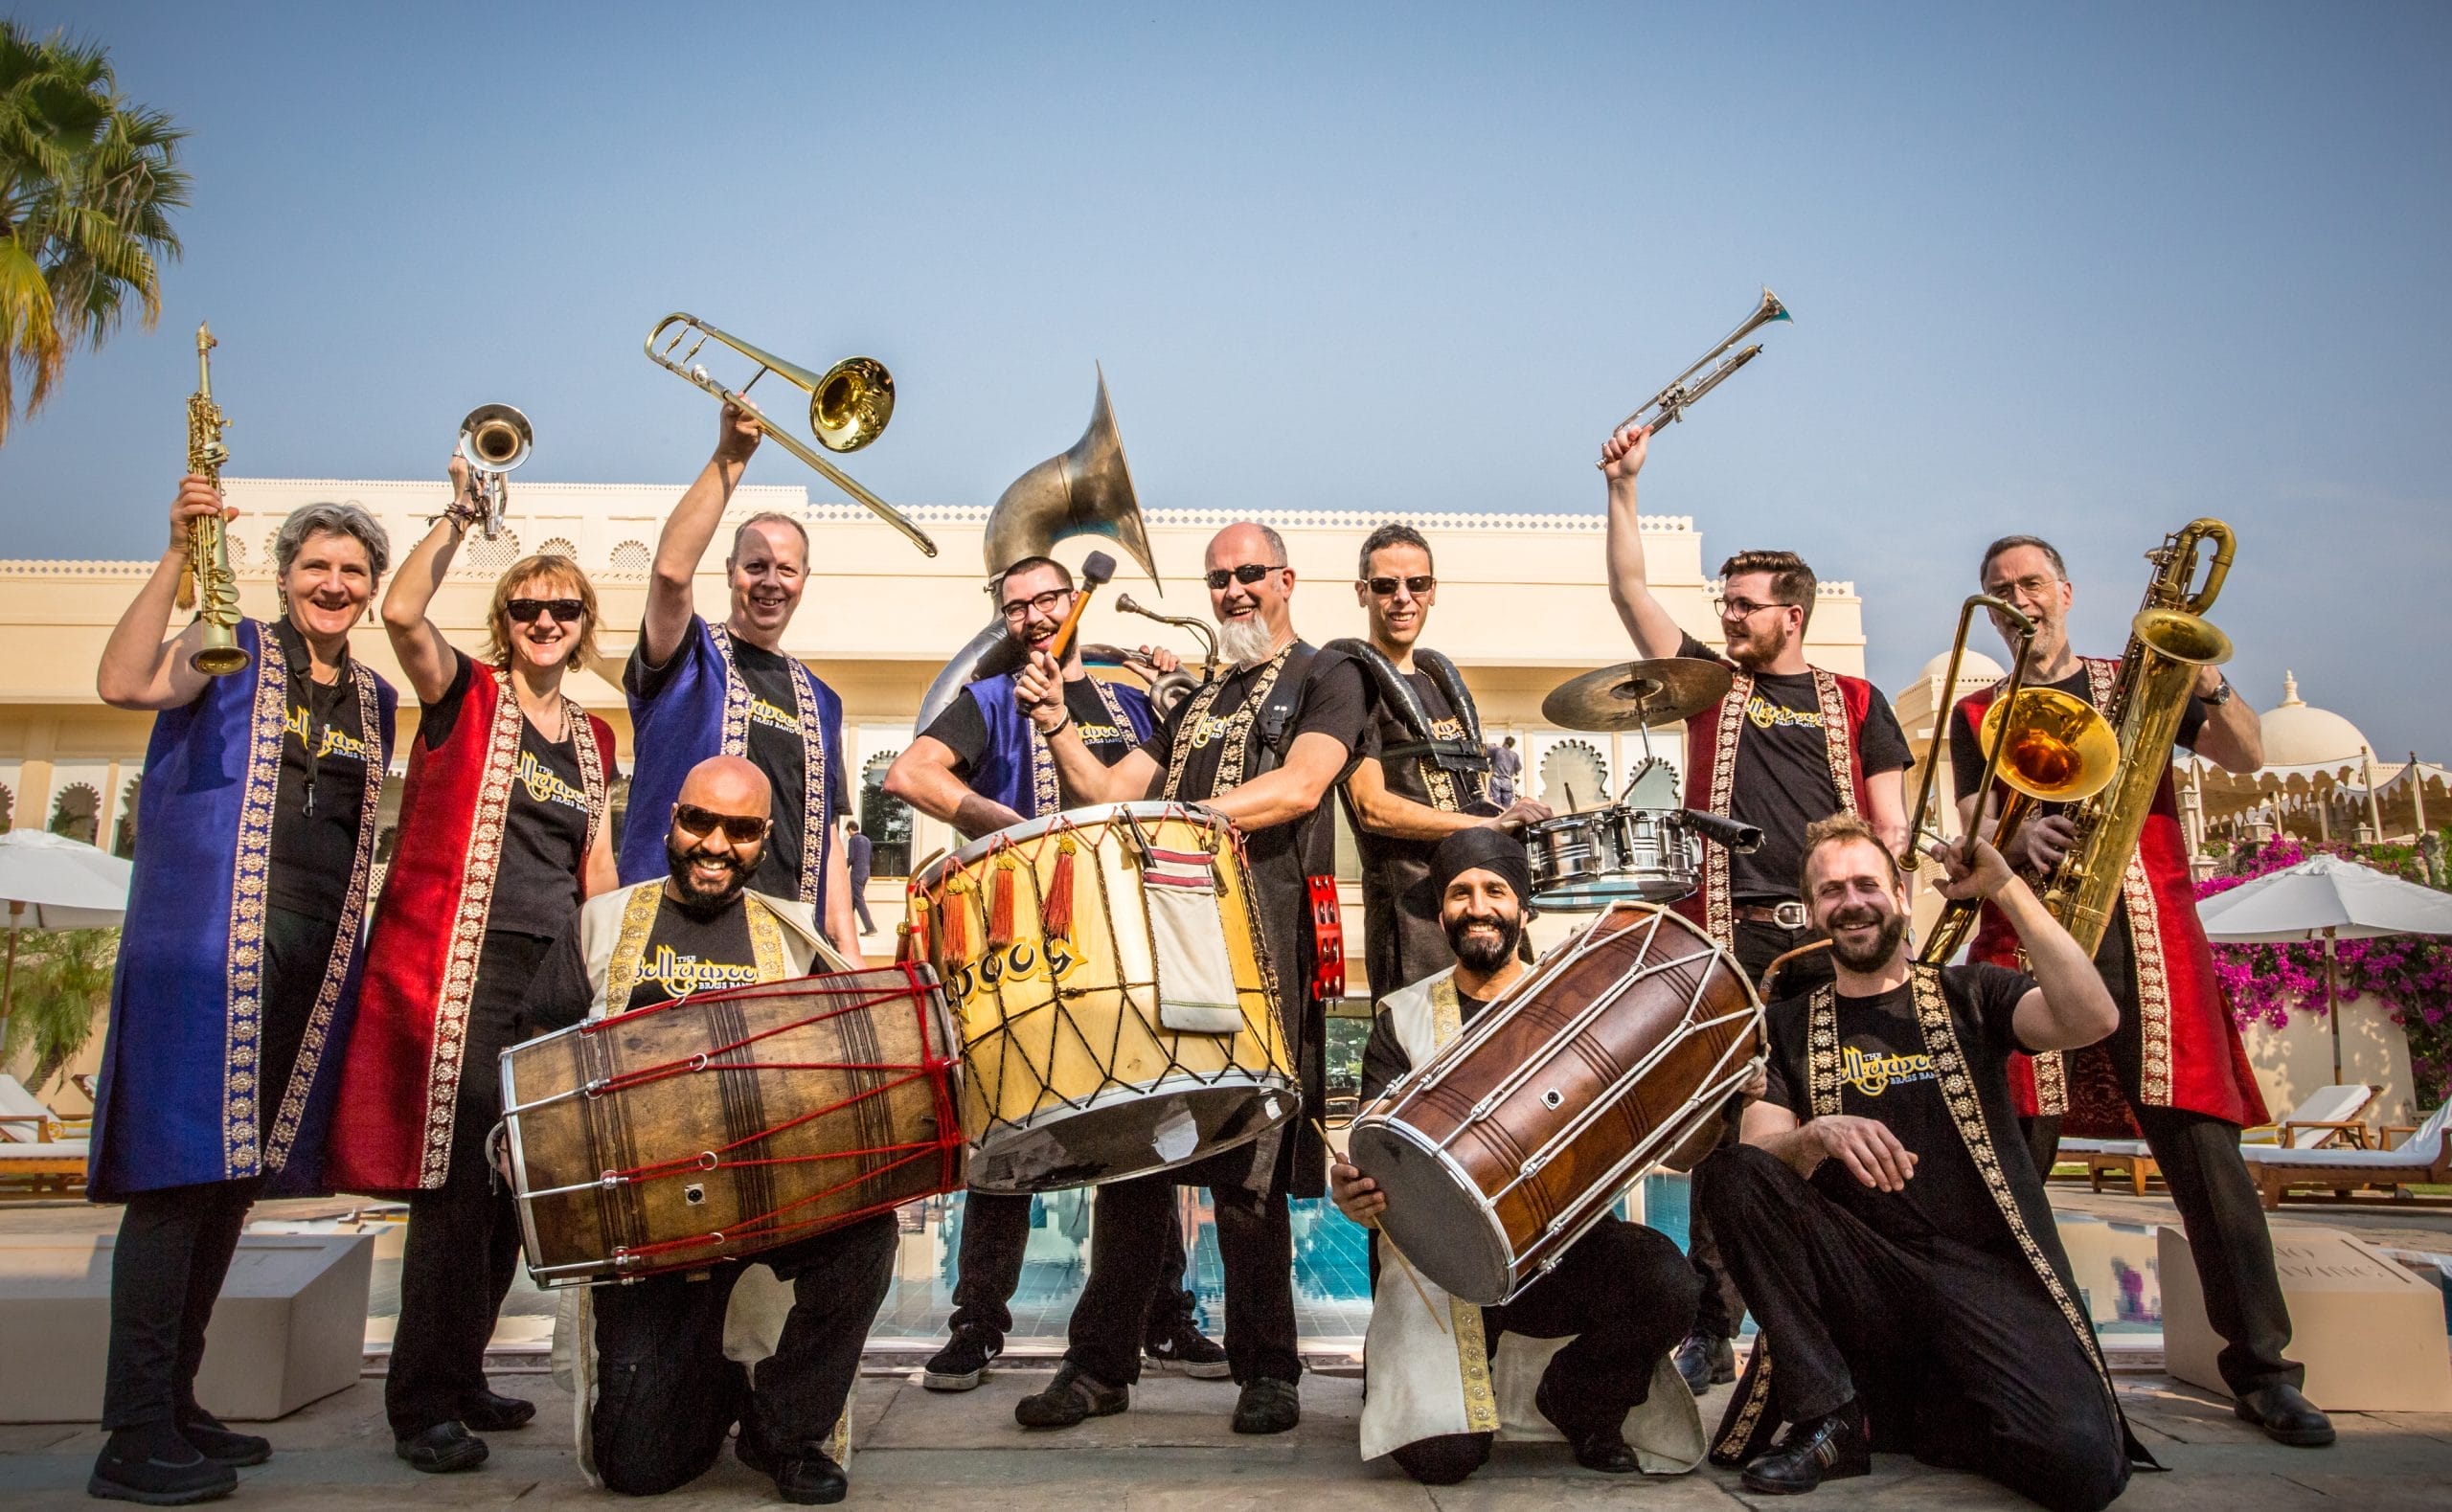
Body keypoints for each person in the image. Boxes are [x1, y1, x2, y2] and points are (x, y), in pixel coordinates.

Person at [1950, 533, 2330, 1447]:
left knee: (2204, 1146)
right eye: (1999, 590)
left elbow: (2246, 754)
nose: (2017, 600)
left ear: (2067, 591)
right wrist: (2014, 839)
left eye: (2031, 582)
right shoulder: (1978, 712)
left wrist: (2206, 681)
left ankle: (2264, 1369)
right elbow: (1965, 820)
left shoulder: (2140, 680)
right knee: (2009, 1149)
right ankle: (1996, 1360)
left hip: (2150, 930)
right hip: (2032, 931)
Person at [1007, 522, 1373, 1435]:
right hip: (1162, 954)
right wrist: (1055, 722)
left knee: (1244, 1175)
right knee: (1132, 1159)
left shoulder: (1331, 673)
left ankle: (1268, 1369)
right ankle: (1098, 1367)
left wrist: (1185, 816)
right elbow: (1111, 792)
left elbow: (1298, 787)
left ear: (1286, 578)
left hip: (1262, 950)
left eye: (1251, 574)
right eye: (1220, 579)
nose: (1234, 590)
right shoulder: (1196, 697)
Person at [85, 482, 397, 1505]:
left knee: (229, 1185)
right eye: (318, 567)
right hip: (208, 951)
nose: (335, 585)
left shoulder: (374, 700)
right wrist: (178, 553)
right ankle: (131, 1431)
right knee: (179, 1180)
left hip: (308, 964)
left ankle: (175, 1400)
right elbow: (124, 682)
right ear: (284, 574)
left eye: (353, 571)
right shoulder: (230, 645)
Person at [1699, 815, 2145, 1510]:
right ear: (1815, 910)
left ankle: (1918, 1408)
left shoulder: (1975, 993)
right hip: (1862, 1278)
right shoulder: (1786, 1026)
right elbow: (1758, 1159)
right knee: (1731, 1171)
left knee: (2081, 1468)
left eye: (1866, 884)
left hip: (1980, 1274)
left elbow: (2092, 1017)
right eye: (1831, 890)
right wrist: (1817, 1134)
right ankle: (1833, 1417)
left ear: (1901, 896)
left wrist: (2004, 886)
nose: (1851, 901)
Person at [1603, 419, 1913, 1391]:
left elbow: (1891, 828)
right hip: (1729, 938)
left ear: (1792, 612)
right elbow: (1629, 593)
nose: (1727, 617)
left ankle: (1857, 1308)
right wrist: (1624, 489)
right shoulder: (1706, 682)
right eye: (1724, 603)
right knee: (1727, 1128)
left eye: (1742, 606)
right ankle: (1711, 1320)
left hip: (1829, 941)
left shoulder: (1857, 702)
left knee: (1853, 1109)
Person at [324, 458, 621, 1474]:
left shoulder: (593, 738)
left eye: (565, 607)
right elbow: (403, 610)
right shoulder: (467, 691)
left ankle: (465, 1371)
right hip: (466, 965)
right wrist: (460, 515)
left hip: (555, 972)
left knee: (515, 1186)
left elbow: (597, 861)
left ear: (586, 623)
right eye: (530, 606)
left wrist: (613, 959)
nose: (547, 620)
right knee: (450, 1187)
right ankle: (420, 1400)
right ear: (508, 618)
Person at [882, 554, 1225, 1390]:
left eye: (1048, 598)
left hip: (1128, 941)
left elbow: (1146, 788)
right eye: (1016, 606)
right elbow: (909, 772)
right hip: (1022, 942)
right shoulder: (991, 701)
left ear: (1075, 601)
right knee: (1007, 1129)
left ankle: (1163, 1314)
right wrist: (1003, 822)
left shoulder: (1127, 697)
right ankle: (976, 1324)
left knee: (1144, 1131)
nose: (1034, 615)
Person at [525, 756, 890, 1505]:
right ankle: (713, 1383)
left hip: (763, 1203)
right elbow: (534, 1056)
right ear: (671, 821)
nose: (717, 844)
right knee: (640, 1469)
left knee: (867, 1234)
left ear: (764, 839)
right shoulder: (603, 923)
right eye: (700, 821)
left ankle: (783, 1430)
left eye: (743, 829)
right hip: (647, 1220)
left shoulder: (792, 935)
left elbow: (838, 1065)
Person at [1332, 828, 1703, 1485]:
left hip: (1558, 1257)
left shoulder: (1578, 1005)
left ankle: (1582, 1399)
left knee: (1665, 1281)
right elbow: (1375, 1149)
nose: (1478, 906)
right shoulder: (1401, 1015)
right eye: (1460, 893)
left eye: (1495, 890)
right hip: (1445, 1265)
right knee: (1441, 1463)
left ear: (1524, 908)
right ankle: (1405, 1377)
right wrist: (1353, 1193)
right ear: (1441, 914)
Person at [621, 400, 861, 960]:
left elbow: (824, 837)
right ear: (730, 573)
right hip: (675, 936)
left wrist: (847, 953)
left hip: (784, 940)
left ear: (804, 579)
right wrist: (730, 457)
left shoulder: (823, 701)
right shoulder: (687, 654)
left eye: (786, 569)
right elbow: (670, 571)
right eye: (755, 566)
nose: (770, 581)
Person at [1333, 524, 1549, 997]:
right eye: (1385, 586)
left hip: (1484, 912)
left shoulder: (1439, 681)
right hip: (1412, 917)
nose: (1402, 598)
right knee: (1428, 1057)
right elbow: (1372, 808)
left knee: (1515, 1045)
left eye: (1417, 584)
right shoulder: (1352, 680)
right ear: (1362, 593)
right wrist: (1488, 830)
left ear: (1433, 592)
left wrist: (1511, 819)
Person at [842, 819, 874, 937]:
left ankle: (870, 927)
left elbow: (851, 858)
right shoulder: (867, 840)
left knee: (858, 899)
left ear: (850, 829)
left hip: (857, 872)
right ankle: (846, 927)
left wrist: (841, 868)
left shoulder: (853, 840)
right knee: (854, 899)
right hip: (866, 872)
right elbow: (871, 858)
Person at [1487, 734, 1522, 808]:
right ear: (1512, 745)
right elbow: (1518, 768)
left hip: (1496, 780)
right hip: (1507, 782)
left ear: (1504, 742)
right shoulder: (1514, 755)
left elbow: (1485, 749)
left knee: (1496, 805)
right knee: (1506, 807)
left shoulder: (1496, 750)